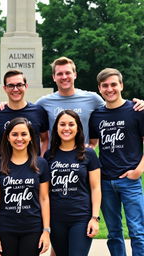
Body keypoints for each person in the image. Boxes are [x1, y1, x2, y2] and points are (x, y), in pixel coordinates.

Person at [89, 68, 144, 256]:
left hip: (130, 181)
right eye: (105, 85)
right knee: (114, 233)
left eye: (113, 84)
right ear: (99, 88)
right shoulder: (97, 115)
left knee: (137, 231)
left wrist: (138, 171)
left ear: (121, 85)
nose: (109, 89)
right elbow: (93, 144)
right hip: (105, 180)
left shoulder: (136, 110)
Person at [35, 56, 144, 144]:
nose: (64, 77)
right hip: (54, 161)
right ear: (54, 77)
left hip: (83, 162)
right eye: (59, 74)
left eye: (68, 73)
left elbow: (113, 108)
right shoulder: (44, 102)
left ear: (75, 75)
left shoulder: (92, 99)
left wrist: (138, 104)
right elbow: (27, 114)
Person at [0, 117, 50, 256]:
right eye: (14, 134)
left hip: (32, 228)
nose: (19, 138)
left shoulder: (41, 164)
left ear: (30, 137)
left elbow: (44, 199)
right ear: (8, 138)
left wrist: (46, 231)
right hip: (5, 228)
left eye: (24, 134)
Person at [44, 110, 101, 256]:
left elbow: (96, 188)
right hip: (56, 219)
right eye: (62, 124)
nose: (66, 128)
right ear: (56, 128)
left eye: (71, 124)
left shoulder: (88, 154)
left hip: (81, 218)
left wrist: (95, 218)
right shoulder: (49, 155)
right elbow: (44, 192)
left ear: (78, 128)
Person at [0, 69, 49, 155]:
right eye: (11, 86)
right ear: (5, 88)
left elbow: (45, 139)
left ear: (26, 86)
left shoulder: (38, 112)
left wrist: (41, 160)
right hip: (6, 168)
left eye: (19, 85)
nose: (15, 89)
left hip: (33, 167)